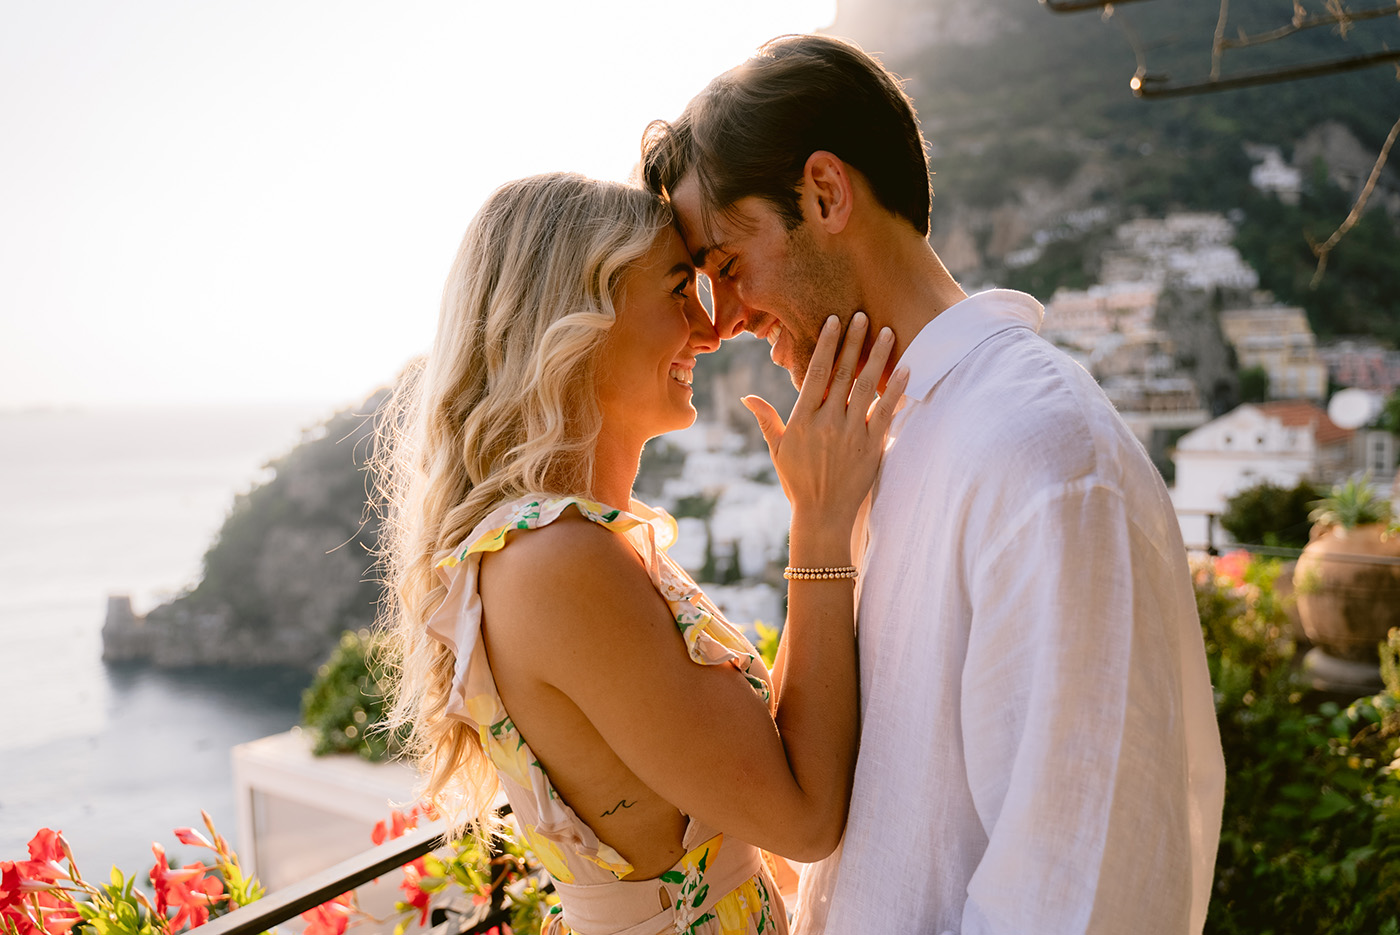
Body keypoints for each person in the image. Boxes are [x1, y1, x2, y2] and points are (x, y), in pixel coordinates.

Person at [641, 34, 1227, 935]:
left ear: (824, 194)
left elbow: (1077, 894)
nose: (725, 323)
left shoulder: (1042, 454)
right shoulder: (884, 440)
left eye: (727, 265)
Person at [375, 172, 909, 935]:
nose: (712, 326)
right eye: (677, 290)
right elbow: (804, 817)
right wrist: (818, 525)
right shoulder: (556, 560)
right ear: (576, 319)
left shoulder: (579, 543)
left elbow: (749, 782)